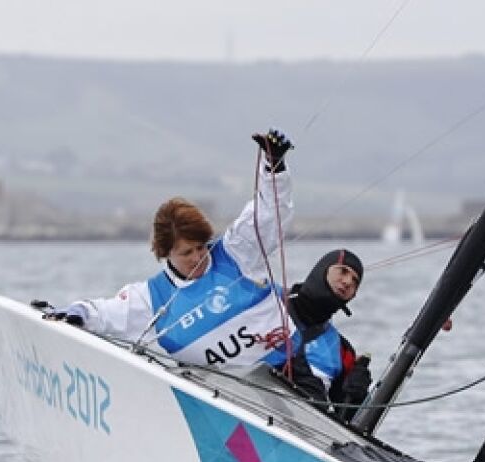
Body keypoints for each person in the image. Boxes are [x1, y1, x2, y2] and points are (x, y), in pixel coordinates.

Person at [45, 128, 315, 372]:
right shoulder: (151, 299)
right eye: (186, 253)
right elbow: (104, 314)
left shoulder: (235, 252)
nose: (198, 258)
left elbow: (268, 212)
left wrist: (274, 168)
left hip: (289, 371)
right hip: (230, 398)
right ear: (165, 254)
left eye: (200, 247)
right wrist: (75, 312)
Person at [281, 249, 372, 421]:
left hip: (298, 427)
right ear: (322, 270)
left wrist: (357, 396)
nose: (347, 281)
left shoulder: (342, 351)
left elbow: (349, 423)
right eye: (343, 271)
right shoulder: (270, 302)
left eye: (354, 281)